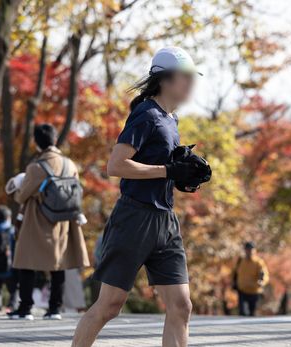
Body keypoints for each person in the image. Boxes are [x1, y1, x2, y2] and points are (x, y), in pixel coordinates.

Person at [72, 47, 207, 347]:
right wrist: (167, 170)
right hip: (134, 218)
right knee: (110, 305)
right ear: (165, 79)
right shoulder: (146, 114)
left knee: (181, 306)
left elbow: (164, 169)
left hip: (166, 221)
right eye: (185, 77)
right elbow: (115, 166)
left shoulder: (171, 119)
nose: (190, 84)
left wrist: (181, 176)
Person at [9, 124, 89, 320]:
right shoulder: (69, 165)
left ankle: (25, 308)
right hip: (63, 221)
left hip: (37, 219)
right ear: (54, 140)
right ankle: (54, 308)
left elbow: (21, 197)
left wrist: (15, 185)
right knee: (58, 264)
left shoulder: (36, 167)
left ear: (36, 143)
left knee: (27, 261)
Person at [232, 242, 269, 316]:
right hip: (242, 291)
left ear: (255, 251)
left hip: (254, 292)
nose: (249, 251)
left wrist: (262, 282)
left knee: (252, 314)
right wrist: (234, 283)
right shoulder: (240, 261)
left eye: (251, 250)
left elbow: (264, 274)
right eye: (247, 249)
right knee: (242, 313)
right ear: (245, 250)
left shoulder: (259, 262)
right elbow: (234, 273)